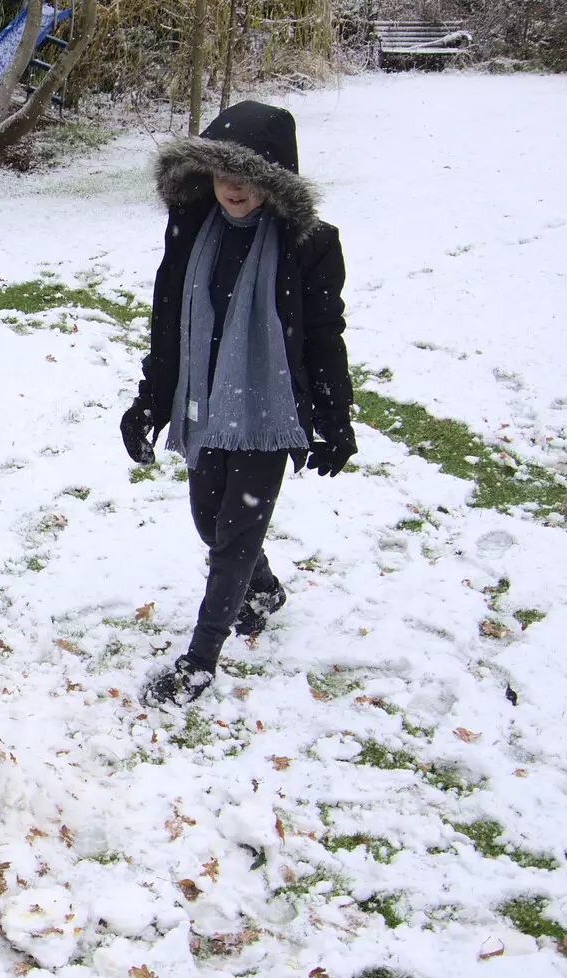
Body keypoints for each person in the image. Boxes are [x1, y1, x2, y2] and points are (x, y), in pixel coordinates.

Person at [119, 101, 356, 706]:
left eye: (247, 175)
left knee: (232, 536)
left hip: (267, 410)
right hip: (204, 398)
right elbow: (168, 320)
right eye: (221, 172)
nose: (232, 187)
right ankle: (264, 589)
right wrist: (150, 402)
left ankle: (200, 660)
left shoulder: (311, 244)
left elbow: (325, 334)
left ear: (275, 182)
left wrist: (334, 418)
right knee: (208, 517)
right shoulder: (193, 227)